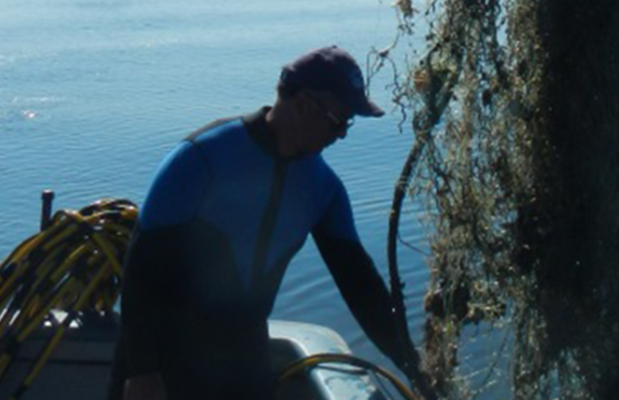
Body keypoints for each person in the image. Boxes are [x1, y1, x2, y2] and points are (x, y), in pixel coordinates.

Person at [108, 46, 429, 400]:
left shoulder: (324, 190)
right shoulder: (201, 159)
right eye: (339, 120)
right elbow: (141, 270)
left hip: (243, 360)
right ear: (304, 104)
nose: (342, 135)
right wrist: (141, 372)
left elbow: (361, 287)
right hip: (163, 358)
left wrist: (416, 368)